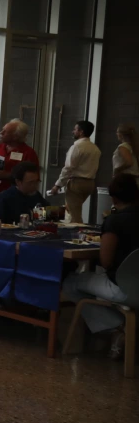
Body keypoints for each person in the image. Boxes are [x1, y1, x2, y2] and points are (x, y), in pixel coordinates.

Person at [62, 175, 139, 356]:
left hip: (123, 287)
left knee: (71, 283)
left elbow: (105, 261)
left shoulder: (114, 221)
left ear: (113, 198)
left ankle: (118, 327)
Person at [49, 120, 102, 224]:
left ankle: (76, 237)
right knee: (71, 209)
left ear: (81, 132)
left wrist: (57, 185)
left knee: (73, 215)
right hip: (90, 183)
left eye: (75, 129)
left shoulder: (77, 147)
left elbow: (68, 168)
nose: (73, 131)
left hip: (76, 183)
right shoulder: (95, 149)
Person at [0, 119, 38, 203]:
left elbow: (33, 178)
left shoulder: (28, 153)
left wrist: (9, 175)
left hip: (15, 199)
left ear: (15, 136)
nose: (1, 133)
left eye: (5, 132)